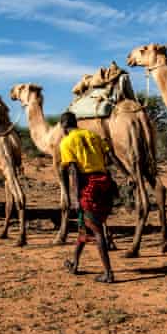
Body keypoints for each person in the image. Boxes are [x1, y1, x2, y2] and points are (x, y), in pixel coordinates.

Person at [59, 112, 116, 283]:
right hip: (104, 183)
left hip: (88, 187)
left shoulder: (66, 142)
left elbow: (74, 170)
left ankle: (108, 273)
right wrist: (128, 175)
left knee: (96, 230)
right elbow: (111, 157)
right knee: (84, 227)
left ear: (63, 126)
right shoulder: (93, 135)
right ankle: (74, 263)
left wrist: (75, 197)